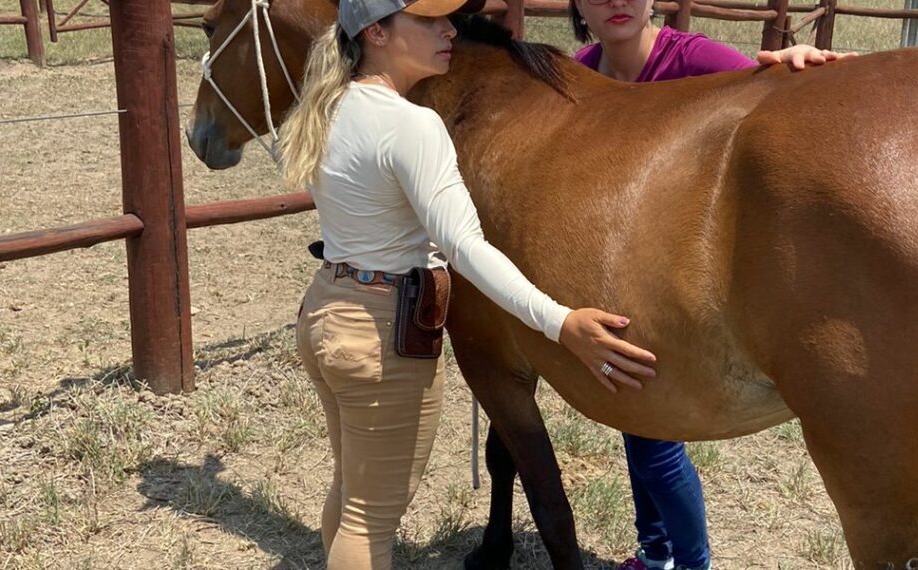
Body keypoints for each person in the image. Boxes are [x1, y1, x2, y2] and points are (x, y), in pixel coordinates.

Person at [275, 0, 658, 567]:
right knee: (370, 520)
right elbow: (466, 248)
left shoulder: (331, 105)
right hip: (382, 334)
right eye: (427, 21)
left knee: (352, 496)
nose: (449, 29)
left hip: (329, 311)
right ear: (377, 32)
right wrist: (560, 322)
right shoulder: (412, 124)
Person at [569, 1, 856, 568]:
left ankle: (689, 561)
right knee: (638, 432)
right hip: (617, 282)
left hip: (684, 288)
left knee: (653, 445)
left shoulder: (693, 59)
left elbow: (767, 89)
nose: (617, 1)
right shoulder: (582, 76)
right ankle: (656, 553)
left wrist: (793, 61)